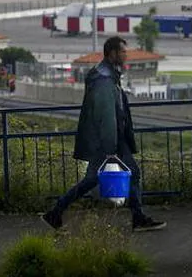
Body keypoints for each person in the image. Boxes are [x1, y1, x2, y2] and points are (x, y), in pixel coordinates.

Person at [41, 36, 165, 232]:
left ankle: (56, 213)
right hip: (108, 141)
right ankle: (137, 218)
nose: (126, 55)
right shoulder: (104, 80)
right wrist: (110, 148)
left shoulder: (108, 74)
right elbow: (106, 115)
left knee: (105, 177)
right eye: (123, 52)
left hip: (111, 138)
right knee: (111, 177)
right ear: (112, 53)